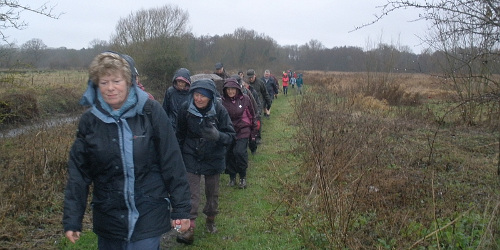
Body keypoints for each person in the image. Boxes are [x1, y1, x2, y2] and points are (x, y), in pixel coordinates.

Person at [63, 51, 191, 250]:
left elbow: (172, 161)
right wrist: (73, 217)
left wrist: (181, 209)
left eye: (116, 81)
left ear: (129, 82)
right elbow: (79, 173)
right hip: (109, 216)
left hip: (148, 210)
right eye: (104, 82)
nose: (111, 88)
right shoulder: (90, 121)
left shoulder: (151, 112)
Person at [175, 79, 236, 244]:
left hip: (213, 156)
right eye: (196, 94)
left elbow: (230, 137)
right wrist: (178, 157)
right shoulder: (185, 109)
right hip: (191, 155)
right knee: (191, 193)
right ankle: (189, 227)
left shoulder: (220, 110)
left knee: (212, 193)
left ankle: (210, 219)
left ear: (210, 97)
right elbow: (179, 134)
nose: (198, 99)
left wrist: (218, 136)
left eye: (203, 95)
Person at [221, 78, 258, 188]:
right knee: (230, 153)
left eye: (233, 89)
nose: (230, 92)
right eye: (228, 89)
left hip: (243, 128)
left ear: (237, 89)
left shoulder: (245, 99)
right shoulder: (222, 101)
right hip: (229, 130)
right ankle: (232, 177)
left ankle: (242, 177)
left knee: (239, 152)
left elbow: (252, 113)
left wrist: (254, 130)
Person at [246, 69, 271, 144]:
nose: (250, 79)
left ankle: (258, 137)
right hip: (248, 105)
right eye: (249, 78)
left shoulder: (260, 83)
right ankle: (249, 137)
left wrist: (268, 102)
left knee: (258, 121)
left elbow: (265, 93)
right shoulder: (246, 84)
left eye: (252, 77)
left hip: (258, 104)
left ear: (255, 76)